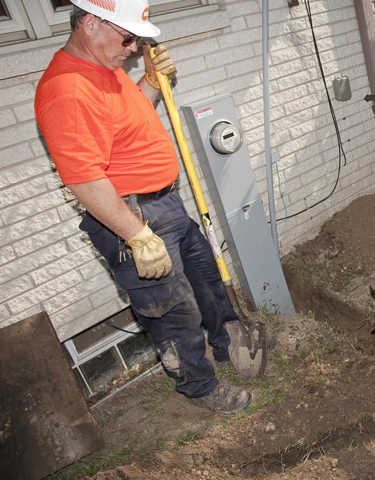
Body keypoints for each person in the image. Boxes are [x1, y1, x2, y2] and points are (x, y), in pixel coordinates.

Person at [34, 0, 270, 414]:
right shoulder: (67, 88)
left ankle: (223, 346)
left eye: (136, 39)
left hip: (167, 203)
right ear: (90, 24)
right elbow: (83, 177)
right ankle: (200, 386)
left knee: (205, 284)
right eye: (127, 37)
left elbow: (127, 120)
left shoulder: (104, 69)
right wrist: (137, 234)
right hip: (134, 217)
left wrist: (152, 82)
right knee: (172, 309)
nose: (132, 46)